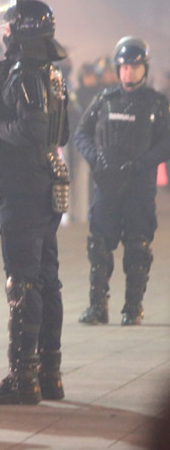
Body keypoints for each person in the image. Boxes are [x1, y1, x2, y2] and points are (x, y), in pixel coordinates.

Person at [0, 0, 70, 405]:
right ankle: (49, 373)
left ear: (20, 31)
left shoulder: (27, 75)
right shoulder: (50, 74)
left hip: (25, 187)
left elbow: (31, 131)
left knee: (24, 281)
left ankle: (23, 376)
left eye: (9, 26)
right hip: (45, 183)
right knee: (47, 279)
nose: (5, 33)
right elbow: (60, 134)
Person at [74, 36, 170, 326]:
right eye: (124, 67)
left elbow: (166, 142)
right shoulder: (104, 100)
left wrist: (143, 162)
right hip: (106, 184)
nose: (128, 72)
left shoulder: (156, 103)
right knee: (99, 246)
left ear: (144, 68)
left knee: (138, 246)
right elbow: (81, 134)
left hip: (139, 185)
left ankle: (132, 307)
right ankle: (97, 307)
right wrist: (96, 157)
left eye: (134, 67)